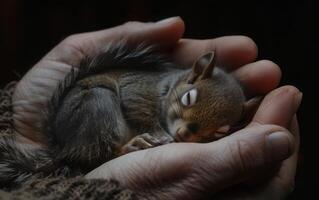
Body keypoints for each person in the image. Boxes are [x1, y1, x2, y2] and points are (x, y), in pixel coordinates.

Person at [11, 17, 301, 199]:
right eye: (187, 102)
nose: (183, 131)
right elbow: (132, 106)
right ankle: (112, 150)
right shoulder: (153, 89)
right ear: (197, 73)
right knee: (99, 97)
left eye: (214, 132)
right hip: (88, 116)